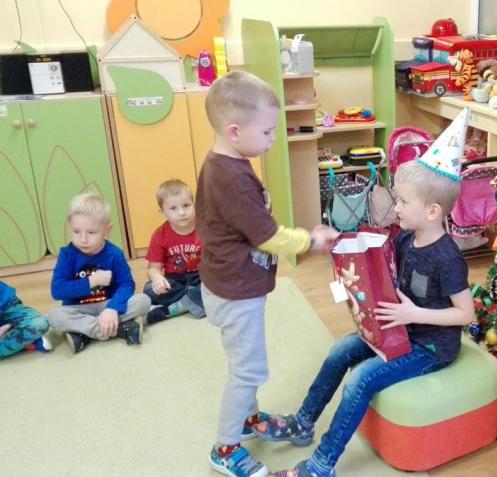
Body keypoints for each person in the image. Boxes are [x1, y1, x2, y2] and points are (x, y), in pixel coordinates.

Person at [258, 110, 475, 477]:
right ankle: (304, 421)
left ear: (433, 211)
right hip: (396, 329)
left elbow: (465, 314)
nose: (396, 207)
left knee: (360, 380)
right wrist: (340, 248)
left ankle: (321, 466)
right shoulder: (406, 237)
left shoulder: (447, 258)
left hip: (430, 346)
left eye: (403, 202)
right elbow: (376, 256)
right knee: (339, 352)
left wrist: (413, 314)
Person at [198, 71, 339, 477]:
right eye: (266, 131)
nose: (273, 138)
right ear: (234, 131)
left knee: (245, 361)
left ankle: (248, 418)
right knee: (248, 369)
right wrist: (310, 239)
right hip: (234, 290)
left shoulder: (225, 162)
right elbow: (268, 235)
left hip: (231, 282)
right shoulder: (231, 177)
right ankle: (225, 447)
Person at [47, 192, 151, 353]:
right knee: (54, 317)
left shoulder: (114, 254)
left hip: (108, 303)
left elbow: (127, 284)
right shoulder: (67, 255)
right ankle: (118, 328)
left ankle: (84, 334)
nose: (83, 239)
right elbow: (57, 290)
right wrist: (92, 281)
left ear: (107, 230)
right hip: (79, 308)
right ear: (70, 227)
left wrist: (112, 308)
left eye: (91, 232)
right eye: (76, 231)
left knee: (143, 301)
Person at [143, 179, 205, 324]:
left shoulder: (204, 228)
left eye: (186, 205)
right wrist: (157, 279)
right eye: (173, 208)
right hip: (174, 280)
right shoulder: (159, 235)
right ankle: (194, 299)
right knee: (148, 290)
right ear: (162, 212)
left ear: (194, 204)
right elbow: (153, 269)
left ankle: (171, 309)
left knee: (220, 284)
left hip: (201, 276)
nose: (182, 213)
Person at [0, 280, 52, 358]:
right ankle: (24, 342)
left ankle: (17, 339)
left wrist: (7, 326)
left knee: (39, 324)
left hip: (8, 306)